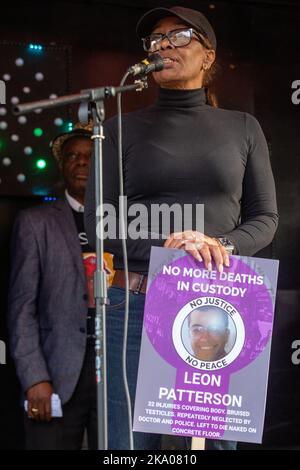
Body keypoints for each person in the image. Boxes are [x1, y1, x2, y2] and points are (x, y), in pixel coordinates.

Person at [84, 6, 278, 450]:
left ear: (208, 56)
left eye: (180, 35)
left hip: (219, 307)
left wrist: (215, 243)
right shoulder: (116, 129)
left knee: (212, 444)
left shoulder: (243, 127)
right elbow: (99, 222)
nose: (164, 44)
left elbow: (265, 219)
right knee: (128, 444)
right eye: (155, 39)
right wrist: (170, 247)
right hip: (134, 305)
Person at [8, 123, 112, 450]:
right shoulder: (35, 222)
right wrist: (35, 377)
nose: (81, 162)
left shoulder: (124, 222)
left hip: (114, 370)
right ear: (61, 165)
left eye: (89, 156)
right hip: (57, 369)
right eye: (72, 156)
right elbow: (21, 308)